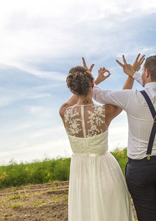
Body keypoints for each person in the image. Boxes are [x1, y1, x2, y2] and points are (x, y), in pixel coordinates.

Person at [91, 54, 156, 221]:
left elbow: (97, 95)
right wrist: (134, 73)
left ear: (147, 72)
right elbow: (153, 87)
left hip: (140, 169)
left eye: (143, 71)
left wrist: (91, 77)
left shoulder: (131, 97)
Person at [59, 63, 138, 221]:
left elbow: (77, 95)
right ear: (92, 84)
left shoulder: (64, 111)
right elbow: (125, 96)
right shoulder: (105, 111)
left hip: (80, 175)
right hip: (106, 170)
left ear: (72, 90)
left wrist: (91, 81)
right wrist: (131, 75)